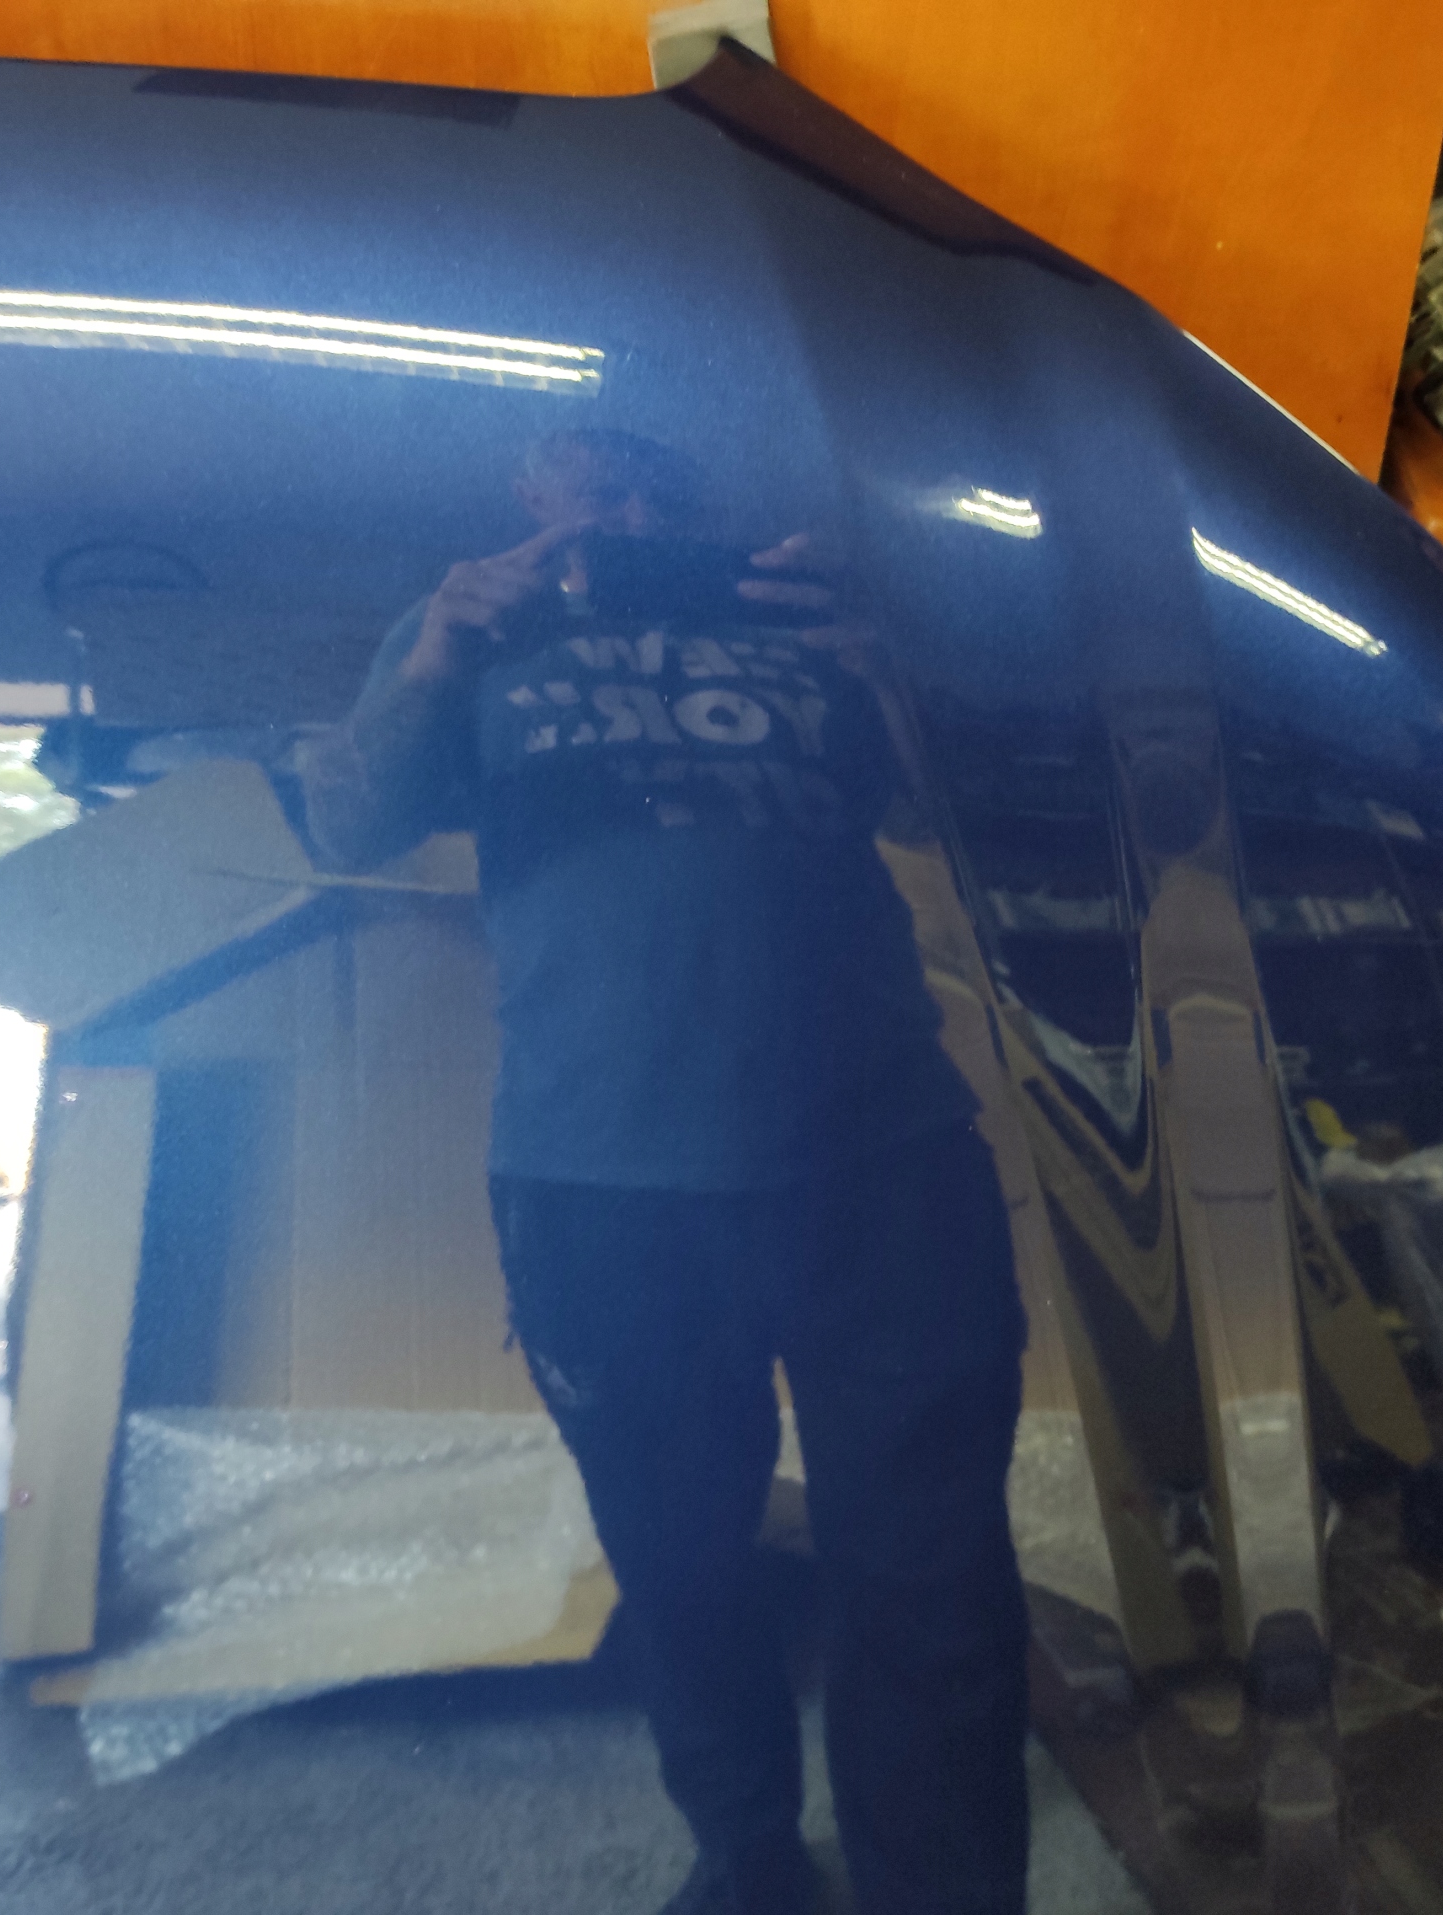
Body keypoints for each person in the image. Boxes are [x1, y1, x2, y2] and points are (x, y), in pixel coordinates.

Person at [295, 429, 1031, 1915]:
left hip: (885, 1170)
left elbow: (991, 831)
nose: (637, 513)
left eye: (670, 490)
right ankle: (747, 1860)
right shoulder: (466, 631)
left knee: (934, 1578)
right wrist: (434, 658)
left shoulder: (821, 620)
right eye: (602, 485)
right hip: (599, 1189)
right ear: (531, 486)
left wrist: (891, 670)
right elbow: (345, 823)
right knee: (682, 1560)